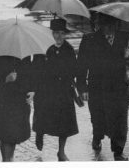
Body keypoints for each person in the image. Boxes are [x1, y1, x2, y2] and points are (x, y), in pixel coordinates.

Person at [77, 14, 129, 161]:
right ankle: (97, 136)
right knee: (98, 117)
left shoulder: (125, 38)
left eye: (111, 25)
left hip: (120, 87)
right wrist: (82, 88)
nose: (108, 29)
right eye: (104, 25)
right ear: (99, 25)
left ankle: (118, 151)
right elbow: (81, 66)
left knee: (120, 119)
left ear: (115, 25)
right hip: (97, 87)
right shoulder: (90, 40)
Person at [32, 19, 78, 161]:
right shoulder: (43, 48)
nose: (58, 36)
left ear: (65, 34)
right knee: (42, 116)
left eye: (61, 33)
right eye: (56, 33)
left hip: (63, 90)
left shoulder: (69, 50)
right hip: (45, 90)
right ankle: (39, 133)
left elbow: (74, 70)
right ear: (51, 33)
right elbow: (35, 69)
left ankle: (61, 151)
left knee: (64, 122)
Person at [0, 55, 35, 161]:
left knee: (12, 137)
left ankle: (7, 159)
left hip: (19, 105)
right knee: (7, 137)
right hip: (2, 104)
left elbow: (31, 78)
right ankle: (8, 160)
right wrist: (5, 79)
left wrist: (32, 91)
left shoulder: (25, 59)